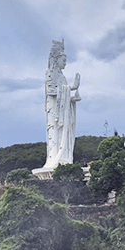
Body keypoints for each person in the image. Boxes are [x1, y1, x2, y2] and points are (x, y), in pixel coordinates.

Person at [44, 40, 80, 168]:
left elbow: (63, 93)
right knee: (55, 137)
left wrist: (72, 99)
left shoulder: (62, 76)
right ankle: (55, 161)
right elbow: (51, 91)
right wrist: (70, 88)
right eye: (63, 60)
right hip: (55, 112)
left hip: (64, 110)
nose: (65, 63)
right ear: (56, 59)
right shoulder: (50, 73)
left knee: (66, 134)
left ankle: (65, 159)